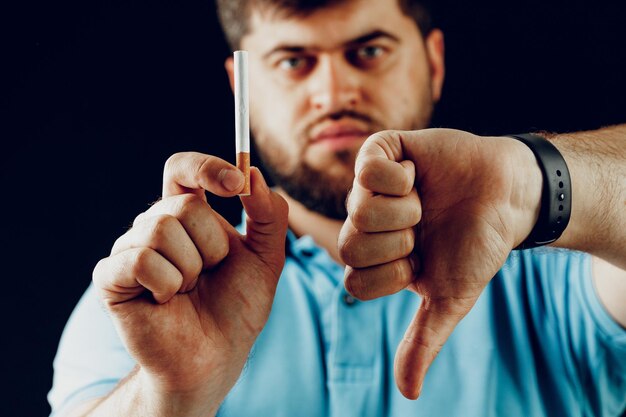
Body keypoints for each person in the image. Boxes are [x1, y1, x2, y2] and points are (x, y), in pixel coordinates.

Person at [48, 0, 626, 416]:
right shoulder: (160, 295)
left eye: (368, 50)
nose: (333, 91)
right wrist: (168, 396)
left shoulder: (560, 255)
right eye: (294, 61)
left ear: (434, 59)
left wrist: (534, 179)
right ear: (240, 86)